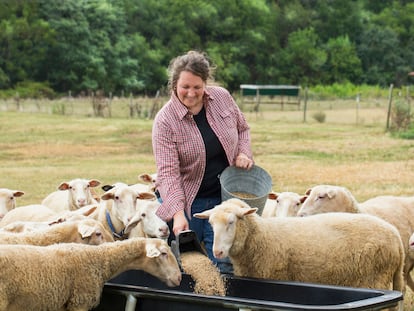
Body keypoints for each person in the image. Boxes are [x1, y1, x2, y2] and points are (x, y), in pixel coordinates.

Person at [152, 50, 254, 274]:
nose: (191, 93)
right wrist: (178, 214)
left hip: (225, 199)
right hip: (191, 202)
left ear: (205, 83)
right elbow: (168, 173)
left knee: (224, 263)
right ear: (174, 84)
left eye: (197, 87)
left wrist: (243, 153)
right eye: (185, 87)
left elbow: (243, 129)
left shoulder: (222, 98)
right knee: (195, 267)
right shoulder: (165, 121)